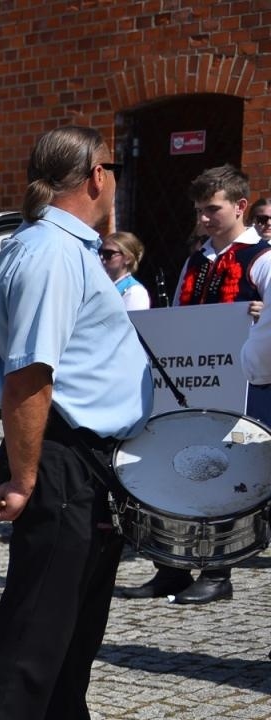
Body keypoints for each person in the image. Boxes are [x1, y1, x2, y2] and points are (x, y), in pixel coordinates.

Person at [0, 125, 167, 720]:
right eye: (109, 168)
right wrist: (24, 476)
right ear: (96, 177)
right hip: (66, 460)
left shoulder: (56, 248)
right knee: (31, 641)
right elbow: (28, 378)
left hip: (87, 461)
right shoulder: (50, 253)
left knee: (72, 643)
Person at [119, 164, 270, 605]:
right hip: (193, 381)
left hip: (241, 385)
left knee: (223, 474)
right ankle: (171, 566)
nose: (204, 219)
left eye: (212, 209)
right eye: (199, 210)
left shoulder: (260, 258)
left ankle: (217, 570)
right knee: (176, 464)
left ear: (240, 207)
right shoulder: (195, 258)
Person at [99, 231, 151, 310]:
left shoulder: (135, 292)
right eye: (100, 252)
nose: (102, 257)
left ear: (128, 258)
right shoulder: (102, 285)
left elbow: (134, 321)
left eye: (108, 253)